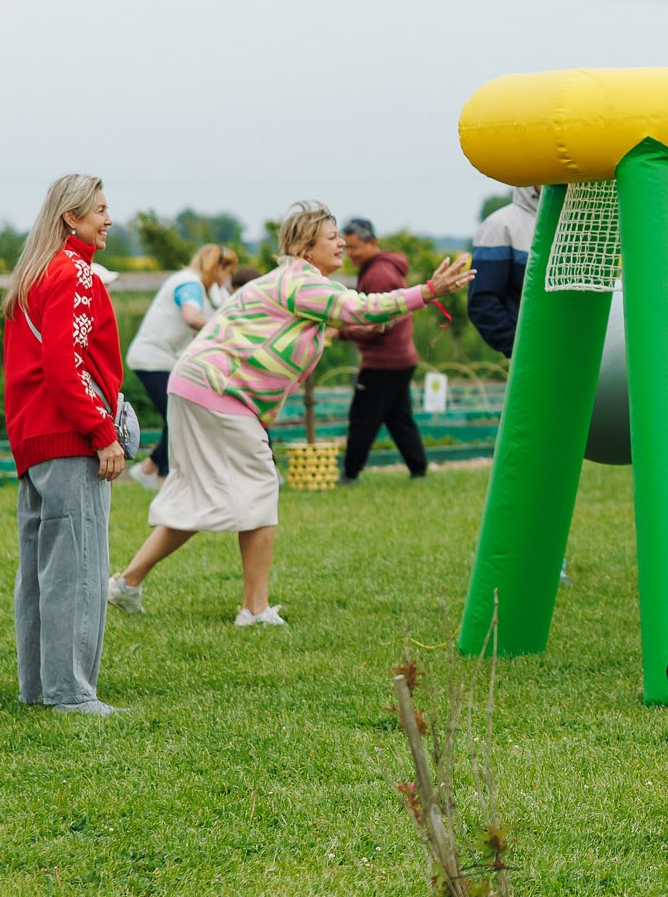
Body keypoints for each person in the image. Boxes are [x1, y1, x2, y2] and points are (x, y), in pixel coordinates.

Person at [109, 202, 467, 626]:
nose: (340, 244)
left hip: (199, 384)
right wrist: (426, 292)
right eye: (331, 237)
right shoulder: (302, 281)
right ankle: (254, 610)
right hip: (218, 389)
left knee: (206, 496)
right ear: (303, 246)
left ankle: (125, 585)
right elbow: (361, 308)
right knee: (259, 488)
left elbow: (333, 321)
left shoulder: (295, 286)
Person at [2, 174, 129, 715]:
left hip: (35, 438)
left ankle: (41, 687)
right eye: (97, 210)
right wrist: (103, 433)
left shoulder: (33, 275)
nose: (108, 219)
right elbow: (66, 364)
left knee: (41, 570)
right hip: (70, 436)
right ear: (69, 219)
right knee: (78, 567)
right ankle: (71, 692)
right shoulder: (76, 273)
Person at [124, 243, 237, 488]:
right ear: (218, 266)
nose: (229, 277)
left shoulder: (207, 291)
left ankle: (149, 469)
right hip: (153, 360)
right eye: (228, 270)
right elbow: (192, 317)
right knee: (177, 418)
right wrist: (225, 332)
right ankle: (163, 476)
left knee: (178, 416)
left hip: (167, 362)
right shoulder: (189, 284)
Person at [337, 220, 432, 482]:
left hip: (384, 361)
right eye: (347, 248)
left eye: (355, 247)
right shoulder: (381, 268)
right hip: (401, 357)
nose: (350, 254)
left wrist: (341, 331)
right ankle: (418, 468)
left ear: (372, 243)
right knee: (398, 417)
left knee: (362, 418)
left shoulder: (378, 274)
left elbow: (381, 322)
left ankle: (350, 472)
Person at [467, 187, 540, 358]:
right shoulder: (500, 225)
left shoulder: (575, 223)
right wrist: (519, 348)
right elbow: (482, 302)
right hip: (531, 360)